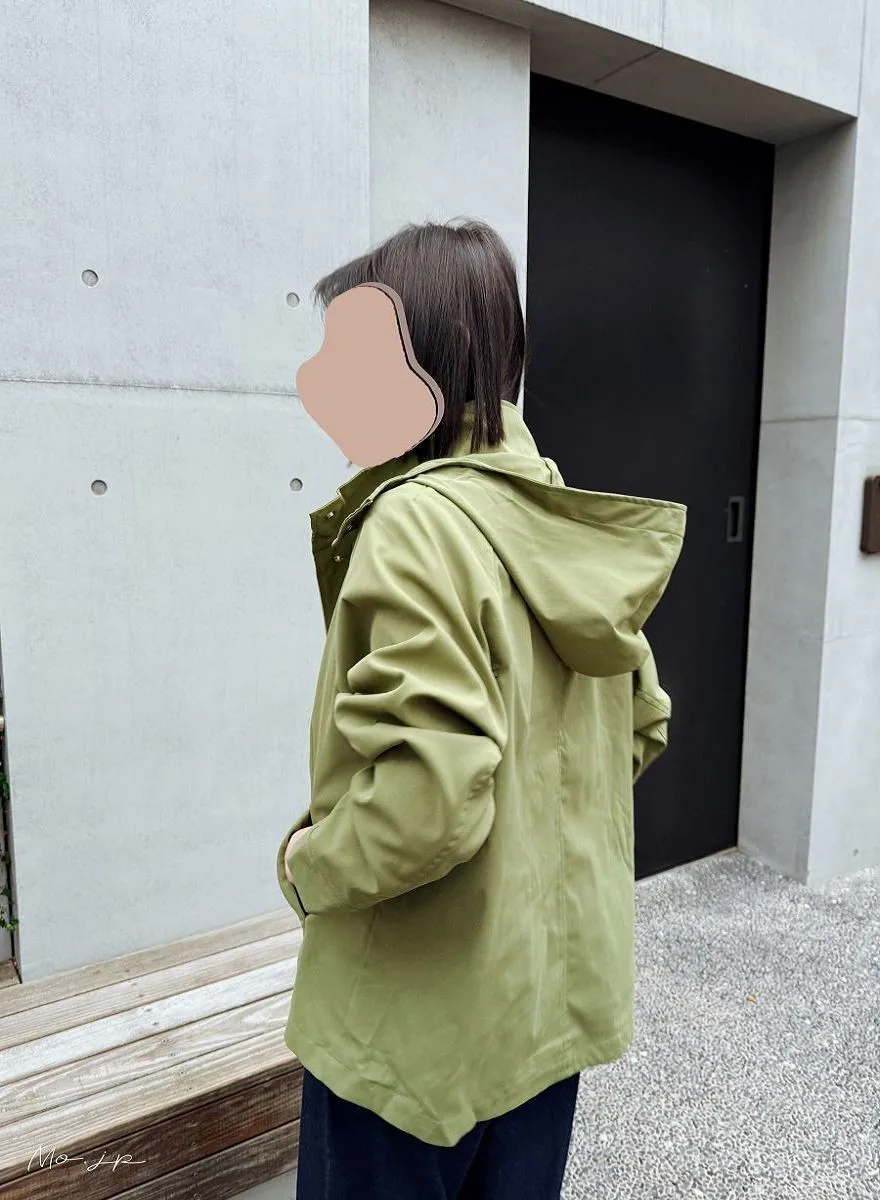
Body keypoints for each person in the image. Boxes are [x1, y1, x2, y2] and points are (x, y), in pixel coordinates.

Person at [276, 218, 686, 1199]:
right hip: (544, 1015)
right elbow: (643, 723)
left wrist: (307, 866)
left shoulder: (418, 520)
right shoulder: (558, 522)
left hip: (408, 1038)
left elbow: (428, 801)